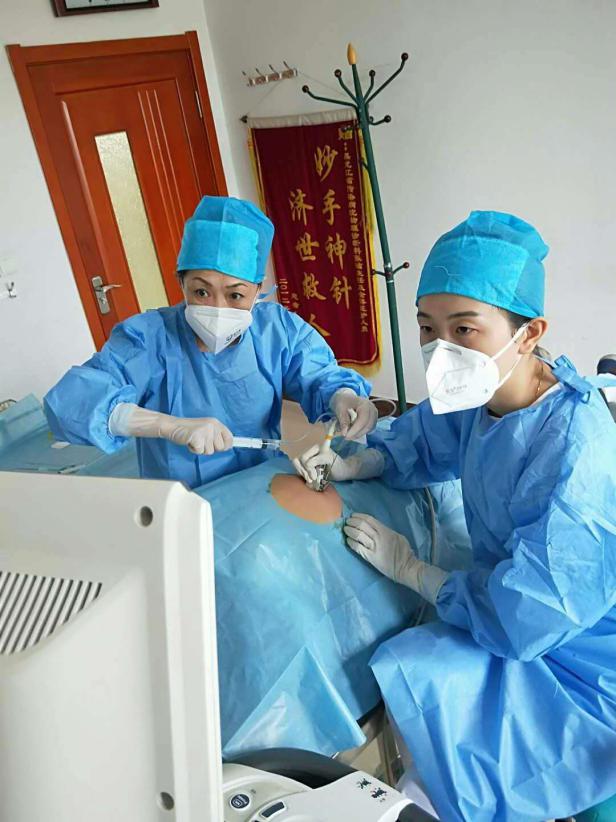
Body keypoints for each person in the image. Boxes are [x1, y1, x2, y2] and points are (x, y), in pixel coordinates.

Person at [295, 211, 616, 821]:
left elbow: (533, 614)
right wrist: (359, 462)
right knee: (418, 679)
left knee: (432, 691)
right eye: (427, 327)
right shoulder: (482, 393)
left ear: (529, 333)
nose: (442, 350)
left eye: (464, 328)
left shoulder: (577, 447)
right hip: (506, 607)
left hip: (581, 648)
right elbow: (424, 440)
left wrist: (415, 572)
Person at [44, 196, 377, 488]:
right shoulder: (149, 338)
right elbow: (72, 403)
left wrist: (343, 396)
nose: (218, 309)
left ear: (258, 289)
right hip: (180, 497)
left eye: (235, 295)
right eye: (201, 291)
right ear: (181, 282)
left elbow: (319, 374)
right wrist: (167, 426)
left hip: (258, 485)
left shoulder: (277, 330)